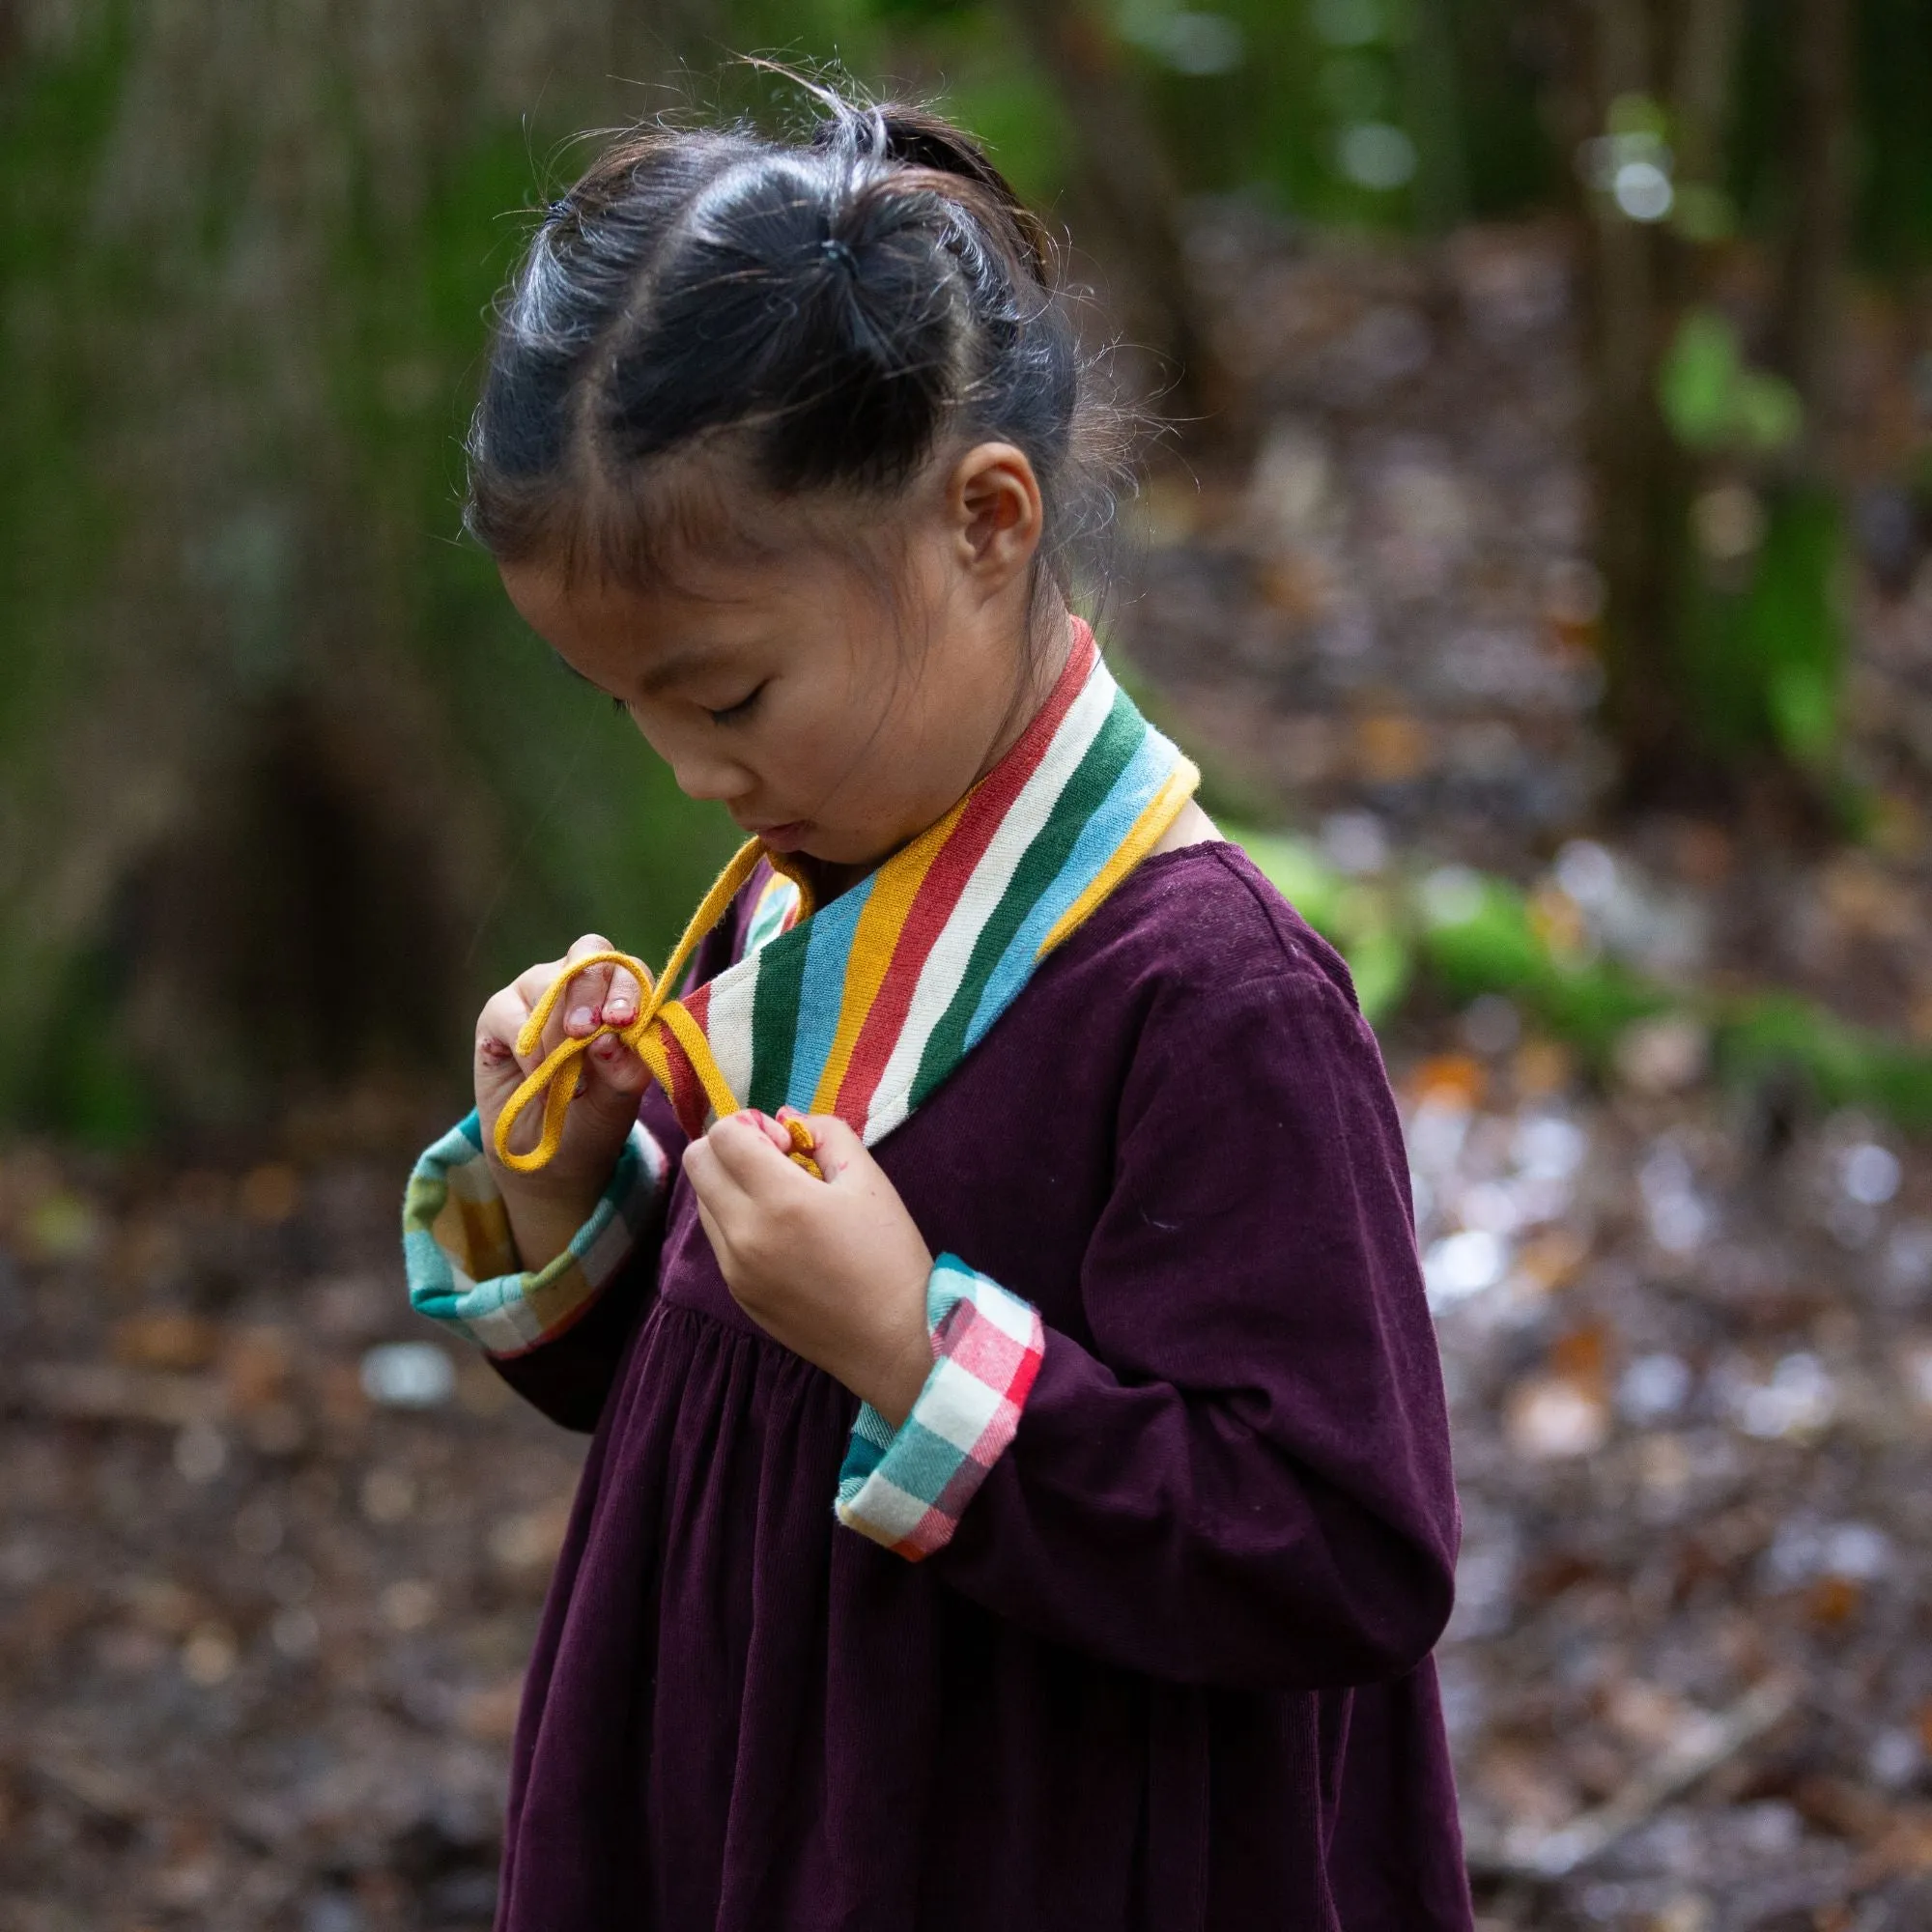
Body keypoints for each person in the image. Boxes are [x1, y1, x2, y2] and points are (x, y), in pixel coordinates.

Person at [400, 76, 1474, 1932]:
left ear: (987, 522)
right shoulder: (805, 897)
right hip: (743, 1799)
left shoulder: (1212, 1003)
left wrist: (913, 1351)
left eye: (725, 698)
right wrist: (580, 1180)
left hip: (1043, 1843)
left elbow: (1343, 1555)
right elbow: (705, 1396)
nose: (687, 779)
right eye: (626, 710)